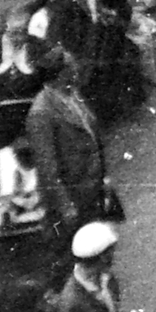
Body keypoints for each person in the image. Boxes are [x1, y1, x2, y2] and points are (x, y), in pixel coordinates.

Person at [25, 50, 109, 258]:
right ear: (61, 73)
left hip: (91, 188)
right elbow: (47, 167)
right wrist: (66, 206)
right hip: (72, 198)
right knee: (72, 255)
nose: (77, 68)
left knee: (96, 251)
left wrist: (105, 177)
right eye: (72, 65)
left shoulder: (72, 95)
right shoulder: (41, 112)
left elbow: (93, 136)